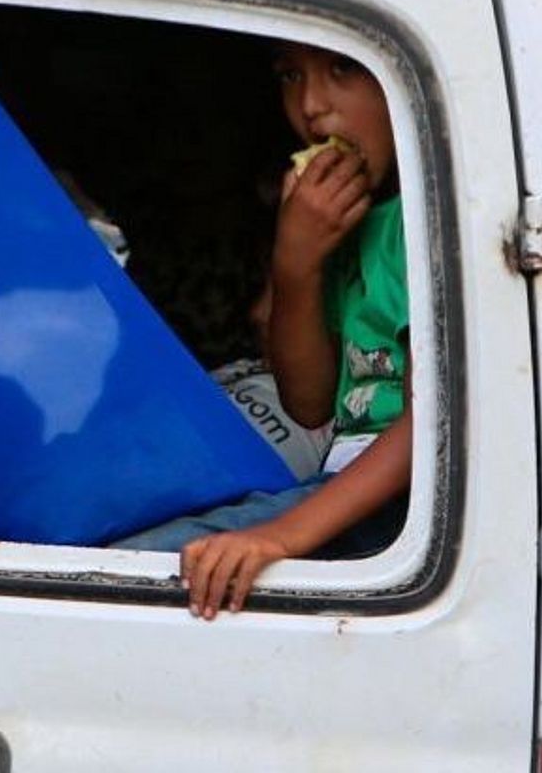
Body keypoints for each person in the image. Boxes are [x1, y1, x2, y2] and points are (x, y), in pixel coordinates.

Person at [115, 41, 412, 619]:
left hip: (403, 507)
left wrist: (279, 538)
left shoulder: (426, 220)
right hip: (341, 482)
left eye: (342, 68)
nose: (310, 105)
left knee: (139, 568)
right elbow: (308, 403)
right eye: (290, 75)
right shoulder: (354, 222)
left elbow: (439, 424)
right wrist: (295, 264)